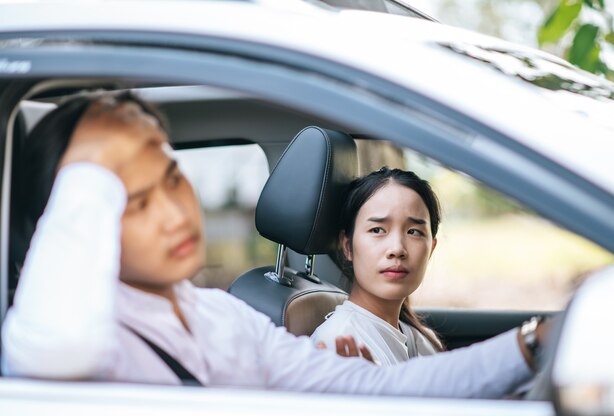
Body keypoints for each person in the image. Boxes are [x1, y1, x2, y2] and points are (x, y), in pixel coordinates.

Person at [2, 92, 541, 398]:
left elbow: (378, 394)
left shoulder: (223, 316)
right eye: (130, 199)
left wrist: (533, 344)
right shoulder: (75, 336)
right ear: (77, 214)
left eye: (170, 176)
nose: (172, 213)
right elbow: (55, 346)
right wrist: (91, 173)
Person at [311, 168, 444, 366]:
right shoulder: (339, 346)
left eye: (414, 232)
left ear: (431, 248)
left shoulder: (421, 339)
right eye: (377, 230)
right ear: (347, 246)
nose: (397, 249)